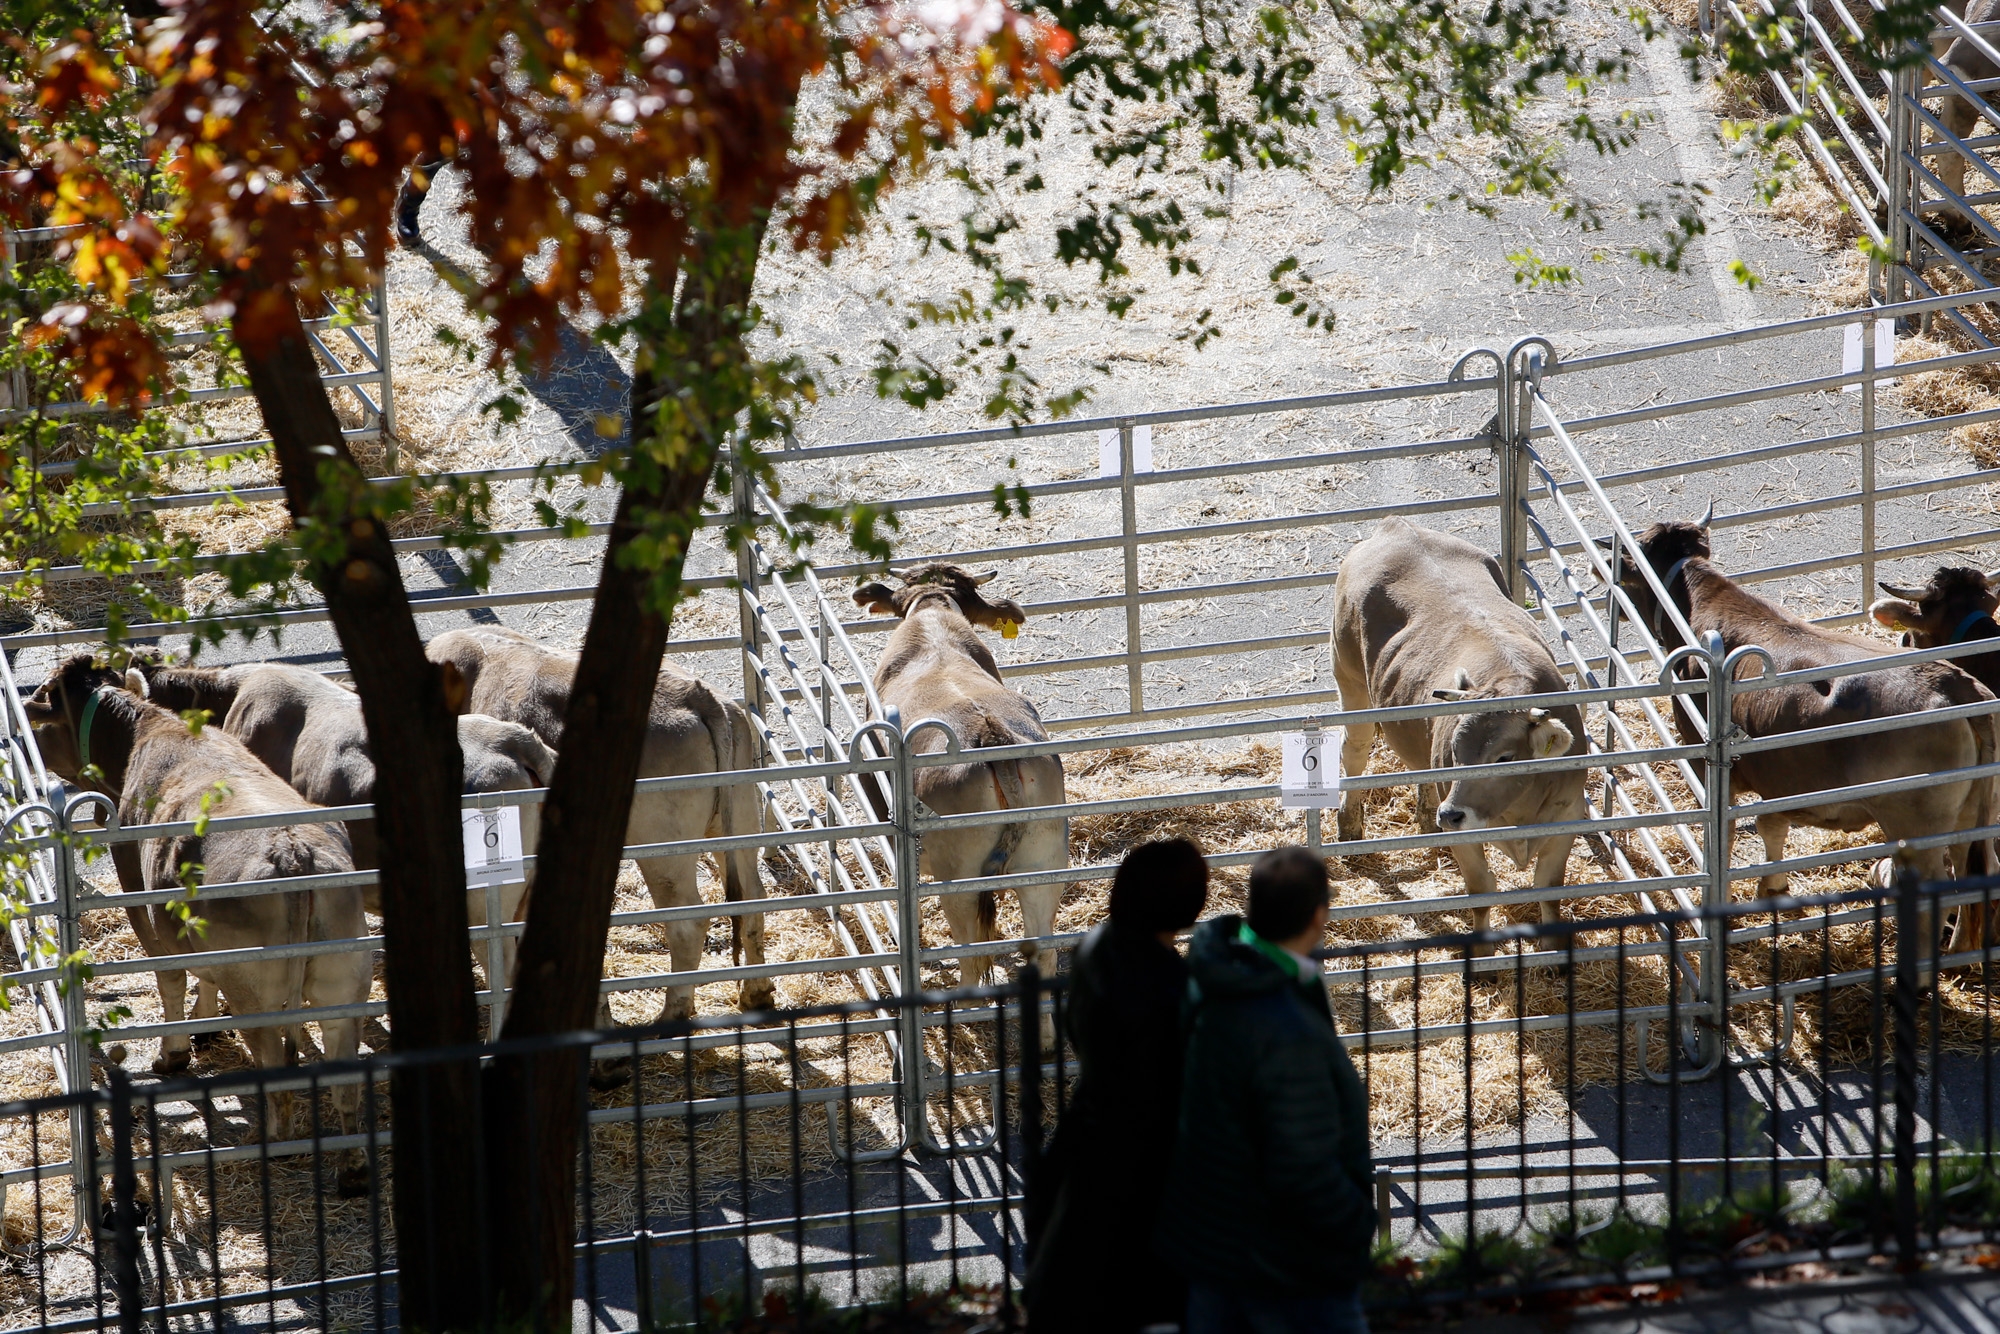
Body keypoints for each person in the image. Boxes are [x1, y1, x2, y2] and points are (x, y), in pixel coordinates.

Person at [1161, 845, 1377, 1334]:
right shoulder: (1282, 1025)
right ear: (1321, 914)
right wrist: (1356, 1224)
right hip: (1285, 1262)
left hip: (1213, 1241)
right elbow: (1301, 1164)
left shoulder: (1216, 976)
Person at [1026, 837, 1211, 1334]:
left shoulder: (1092, 947)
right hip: (1150, 1167)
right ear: (1187, 908)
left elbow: (1075, 1030)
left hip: (1086, 1140)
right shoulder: (1175, 984)